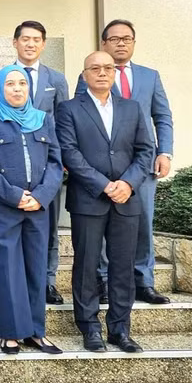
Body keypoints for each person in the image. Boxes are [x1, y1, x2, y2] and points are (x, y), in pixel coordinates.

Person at [56, 51, 154, 353]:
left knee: (123, 266)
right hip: (89, 198)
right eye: (95, 68)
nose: (102, 73)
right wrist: (103, 184)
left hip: (127, 198)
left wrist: (127, 183)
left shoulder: (133, 108)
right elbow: (69, 152)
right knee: (86, 264)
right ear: (84, 74)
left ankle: (120, 329)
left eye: (108, 68)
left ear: (115, 73)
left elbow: (145, 150)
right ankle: (89, 327)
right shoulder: (69, 109)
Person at [76, 19, 174, 305]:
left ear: (133, 42)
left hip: (143, 164)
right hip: (104, 168)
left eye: (127, 38)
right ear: (103, 43)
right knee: (106, 224)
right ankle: (106, 280)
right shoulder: (90, 76)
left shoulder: (150, 76)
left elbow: (162, 116)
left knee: (144, 221)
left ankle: (144, 281)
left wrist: (164, 152)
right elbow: (81, 120)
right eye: (115, 39)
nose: (121, 43)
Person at [0, 65, 63, 355]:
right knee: (6, 270)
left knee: (36, 268)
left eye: (22, 83)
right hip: (2, 206)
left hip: (38, 206)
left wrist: (41, 196)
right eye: (10, 83)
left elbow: (55, 162)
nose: (16, 88)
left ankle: (36, 332)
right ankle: (10, 332)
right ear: (0, 88)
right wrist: (14, 195)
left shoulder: (43, 119)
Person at [0, 21, 70, 305]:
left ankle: (47, 281)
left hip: (47, 166)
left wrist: (60, 164)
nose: (31, 44)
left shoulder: (56, 79)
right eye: (25, 39)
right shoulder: (0, 78)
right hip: (9, 174)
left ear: (43, 44)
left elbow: (63, 122)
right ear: (15, 42)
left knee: (49, 228)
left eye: (37, 39)